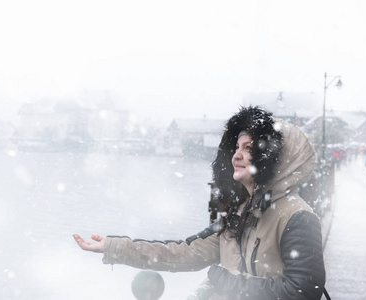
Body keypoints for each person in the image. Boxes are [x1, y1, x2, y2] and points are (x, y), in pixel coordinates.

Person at [73, 106, 326, 300]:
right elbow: (183, 252)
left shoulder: (297, 217)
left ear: (274, 158)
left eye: (248, 148)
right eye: (236, 147)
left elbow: (303, 291)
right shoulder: (240, 213)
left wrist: (228, 283)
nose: (236, 155)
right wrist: (113, 247)